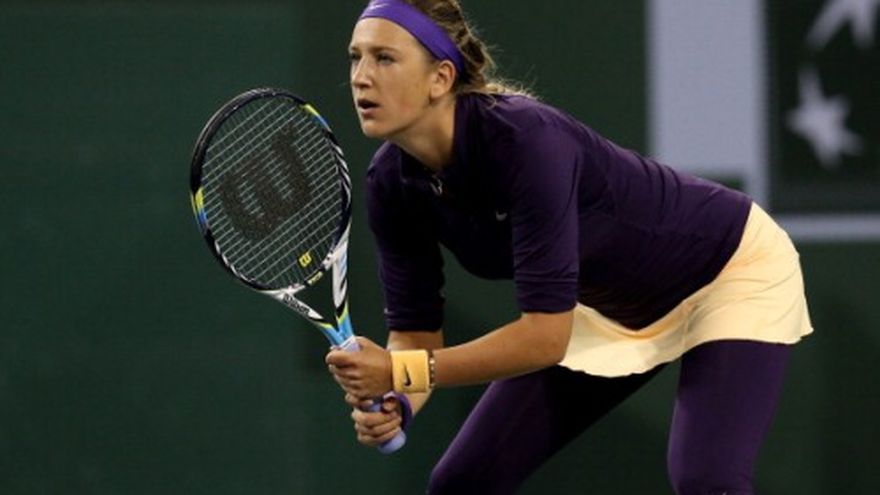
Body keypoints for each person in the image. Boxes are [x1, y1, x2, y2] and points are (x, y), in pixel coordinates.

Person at [325, 0, 813, 493]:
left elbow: (544, 339)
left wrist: (400, 371)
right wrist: (399, 400)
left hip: (728, 269)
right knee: (461, 483)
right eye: (355, 57)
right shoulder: (390, 184)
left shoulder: (526, 140)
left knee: (708, 479)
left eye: (384, 58)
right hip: (609, 307)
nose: (361, 78)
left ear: (441, 78)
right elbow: (415, 333)